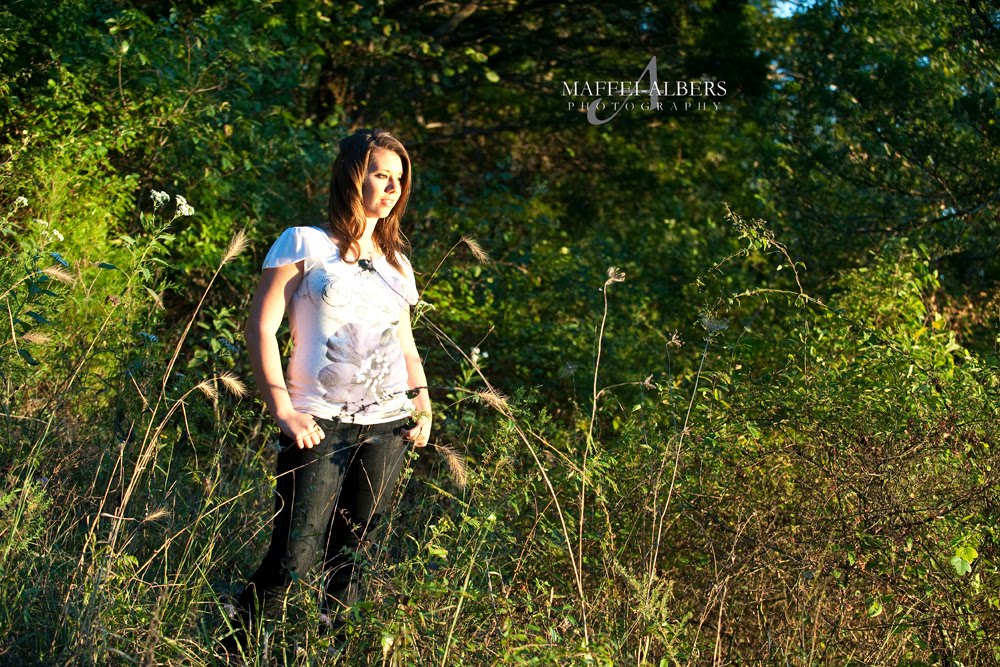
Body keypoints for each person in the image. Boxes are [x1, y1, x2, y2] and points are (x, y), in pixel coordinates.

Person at [223, 128, 432, 655]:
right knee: (293, 558)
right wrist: (283, 410)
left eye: (398, 179)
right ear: (352, 176)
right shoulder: (306, 243)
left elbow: (404, 342)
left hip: (388, 425)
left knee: (355, 559)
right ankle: (234, 653)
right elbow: (261, 328)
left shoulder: (396, 263)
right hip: (318, 423)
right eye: (381, 174)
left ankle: (333, 654)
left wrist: (422, 403)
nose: (392, 188)